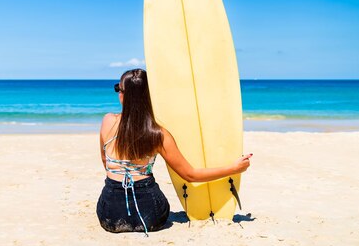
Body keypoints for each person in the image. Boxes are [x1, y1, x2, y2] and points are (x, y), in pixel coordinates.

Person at [97, 69, 252, 236]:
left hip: (110, 216)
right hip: (150, 216)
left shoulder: (108, 122)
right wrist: (234, 168)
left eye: (117, 89)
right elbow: (190, 175)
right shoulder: (158, 134)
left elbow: (106, 164)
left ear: (123, 94)